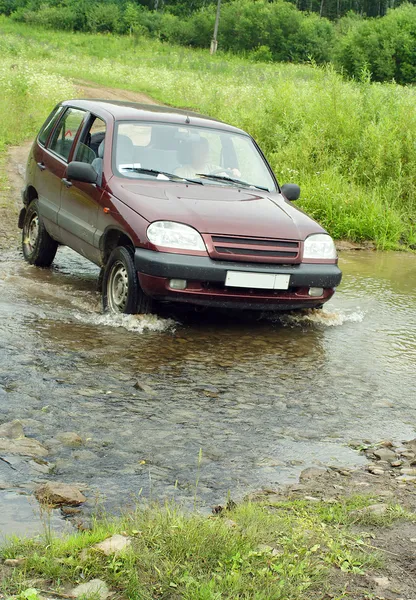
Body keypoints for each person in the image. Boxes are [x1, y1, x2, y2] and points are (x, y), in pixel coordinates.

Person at [175, 137, 241, 180]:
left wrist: (234, 175)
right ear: (192, 153)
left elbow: (228, 183)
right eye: (200, 151)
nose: (205, 153)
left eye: (206, 150)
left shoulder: (217, 170)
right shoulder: (181, 173)